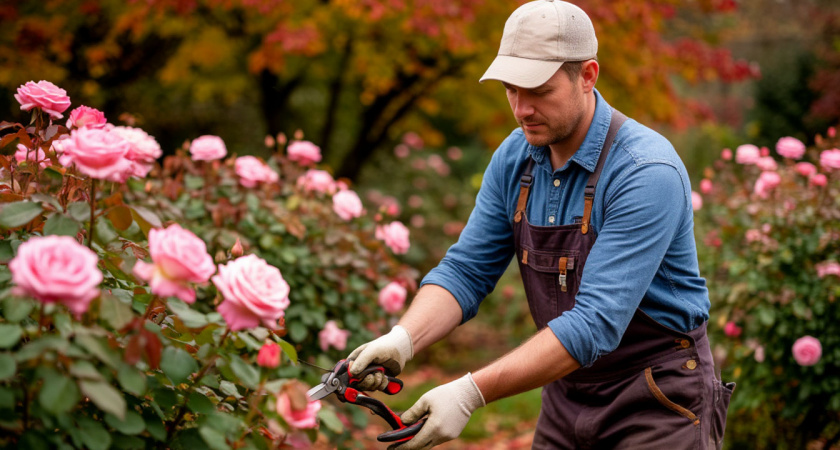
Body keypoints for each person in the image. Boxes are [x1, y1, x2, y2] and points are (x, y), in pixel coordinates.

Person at [347, 1, 734, 448]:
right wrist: (403, 339)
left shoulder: (645, 171)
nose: (522, 108)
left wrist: (470, 393)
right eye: (511, 89)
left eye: (539, 90)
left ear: (587, 75)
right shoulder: (514, 158)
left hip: (657, 399)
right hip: (566, 393)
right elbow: (466, 271)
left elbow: (594, 323)